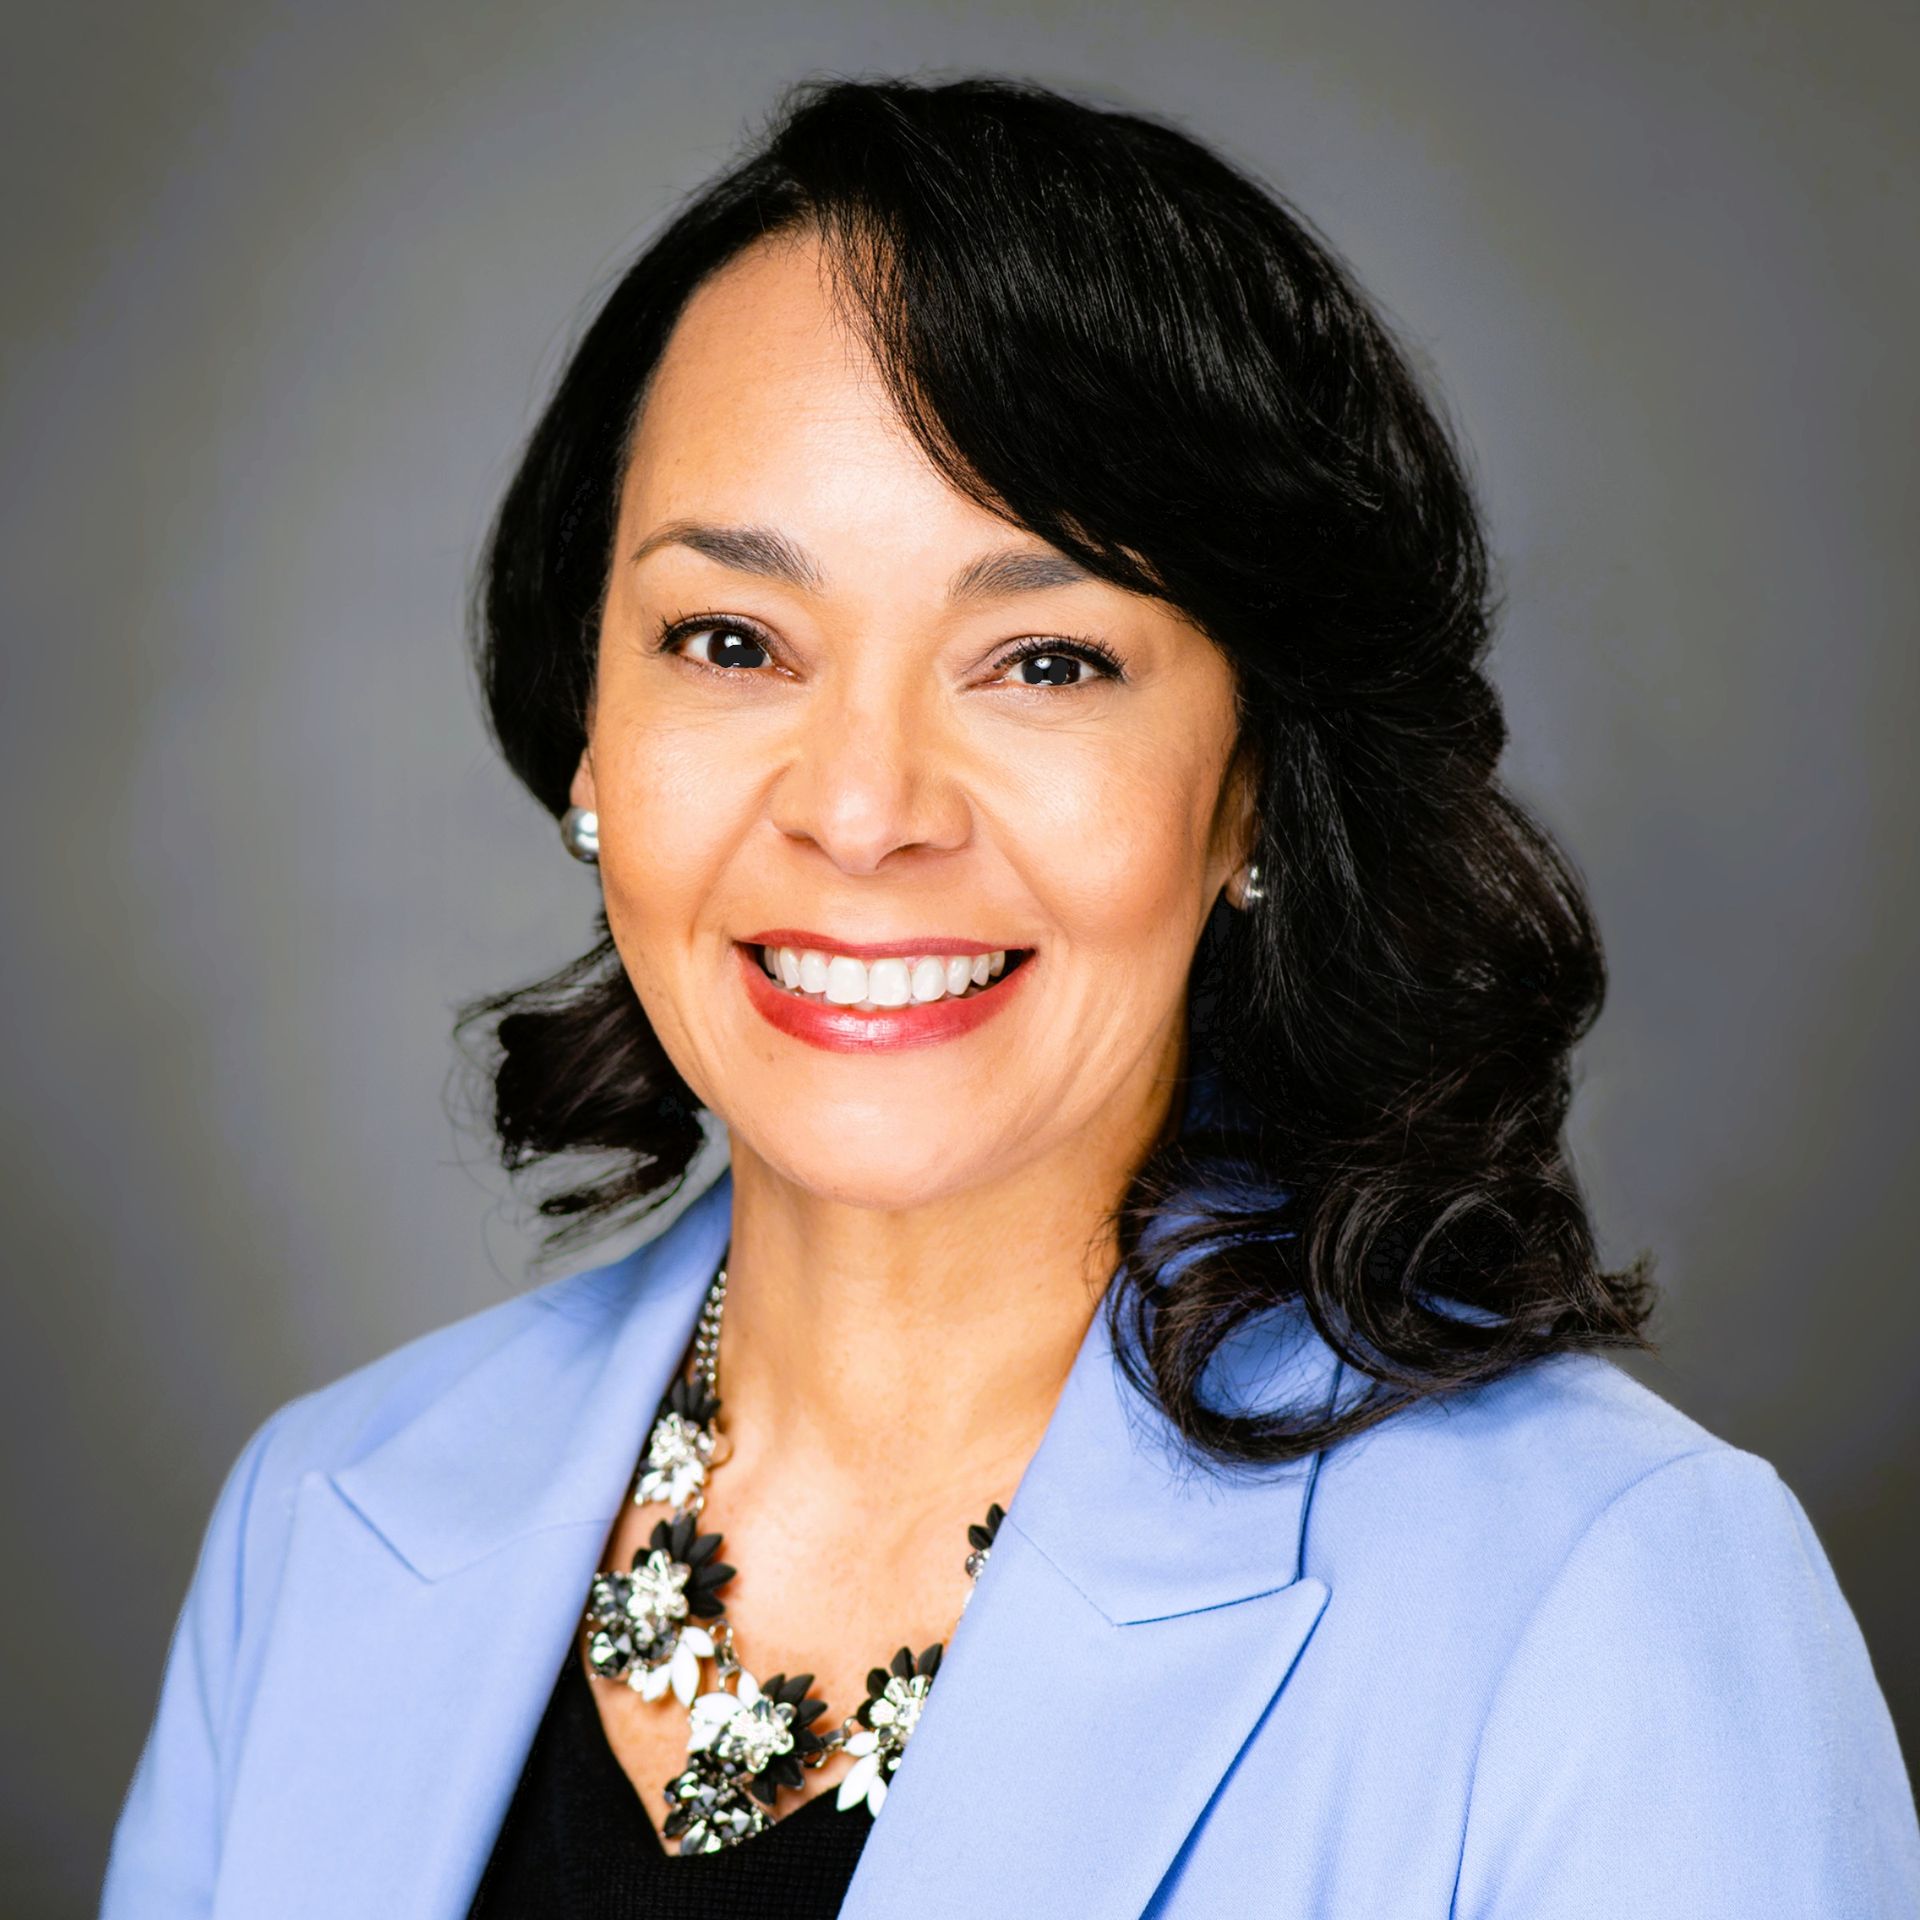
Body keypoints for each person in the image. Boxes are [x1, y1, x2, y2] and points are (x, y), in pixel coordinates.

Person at [102, 74, 1918, 1919]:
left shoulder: (1611, 1611)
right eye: (732, 642)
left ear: (1257, 787)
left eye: (1043, 659)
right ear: (591, 735)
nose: (863, 810)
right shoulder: (319, 1523)